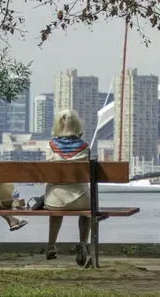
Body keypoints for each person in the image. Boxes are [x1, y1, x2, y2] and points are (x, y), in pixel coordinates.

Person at [44, 109, 92, 267]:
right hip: (81, 199)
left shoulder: (50, 147)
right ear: (77, 125)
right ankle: (83, 244)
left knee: (56, 207)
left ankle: (51, 245)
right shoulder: (85, 148)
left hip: (54, 200)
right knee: (86, 214)